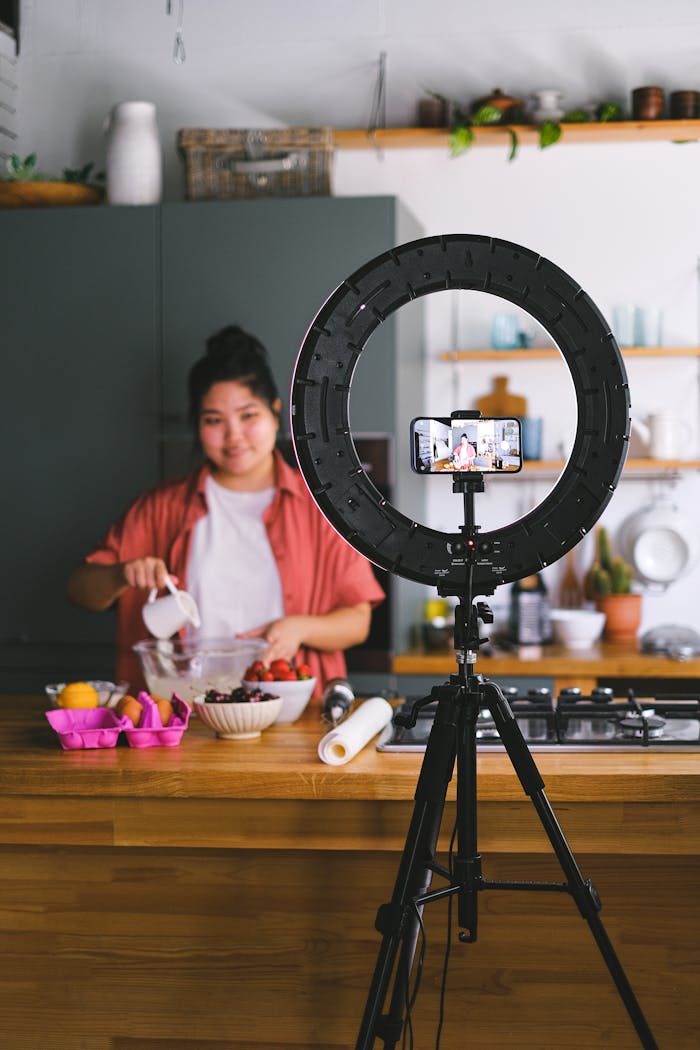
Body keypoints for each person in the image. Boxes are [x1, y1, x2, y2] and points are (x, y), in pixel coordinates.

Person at [67, 326, 385, 692]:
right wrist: (122, 573)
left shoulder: (320, 506)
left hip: (292, 709)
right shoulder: (160, 508)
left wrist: (300, 627)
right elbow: (79, 590)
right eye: (214, 421)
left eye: (248, 416)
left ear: (275, 412)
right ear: (198, 426)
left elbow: (358, 620)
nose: (233, 436)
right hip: (185, 712)